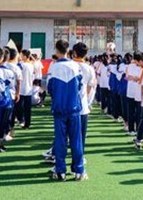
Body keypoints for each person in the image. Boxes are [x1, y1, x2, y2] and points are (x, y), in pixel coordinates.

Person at [47, 40, 84, 181]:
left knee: (60, 140)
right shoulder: (76, 66)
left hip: (59, 108)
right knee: (76, 140)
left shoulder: (54, 67)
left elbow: (50, 88)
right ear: (68, 50)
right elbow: (80, 86)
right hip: (74, 108)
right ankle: (79, 171)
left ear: (56, 50)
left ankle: (60, 171)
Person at [73, 42, 95, 174]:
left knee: (65, 134)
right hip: (82, 105)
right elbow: (90, 87)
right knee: (81, 135)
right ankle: (79, 159)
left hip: (69, 106)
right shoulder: (89, 68)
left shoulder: (69, 65)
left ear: (74, 53)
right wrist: (86, 99)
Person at [18, 49, 36, 129]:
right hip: (29, 88)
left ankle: (21, 120)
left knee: (20, 107)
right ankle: (27, 123)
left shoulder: (21, 65)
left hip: (21, 89)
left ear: (25, 56)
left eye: (22, 55)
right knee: (27, 108)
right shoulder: (31, 65)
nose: (20, 56)